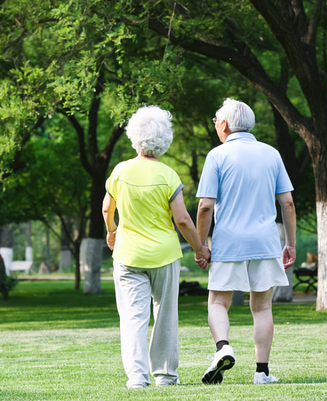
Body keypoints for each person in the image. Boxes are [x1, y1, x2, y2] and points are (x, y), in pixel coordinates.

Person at [102, 105, 209, 389]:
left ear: (134, 136)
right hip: (164, 256)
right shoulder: (168, 175)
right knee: (164, 315)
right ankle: (165, 376)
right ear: (165, 139)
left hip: (127, 256)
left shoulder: (120, 171)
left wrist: (112, 231)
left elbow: (106, 209)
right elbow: (183, 220)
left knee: (133, 317)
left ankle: (137, 378)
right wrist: (200, 248)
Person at [196, 98, 296, 385]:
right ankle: (262, 372)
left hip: (229, 243)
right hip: (265, 243)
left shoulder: (217, 155)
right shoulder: (271, 154)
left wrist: (201, 245)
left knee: (218, 302)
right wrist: (290, 244)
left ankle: (222, 347)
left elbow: (205, 207)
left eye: (216, 121)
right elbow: (287, 203)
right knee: (262, 307)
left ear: (224, 124)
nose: (216, 126)